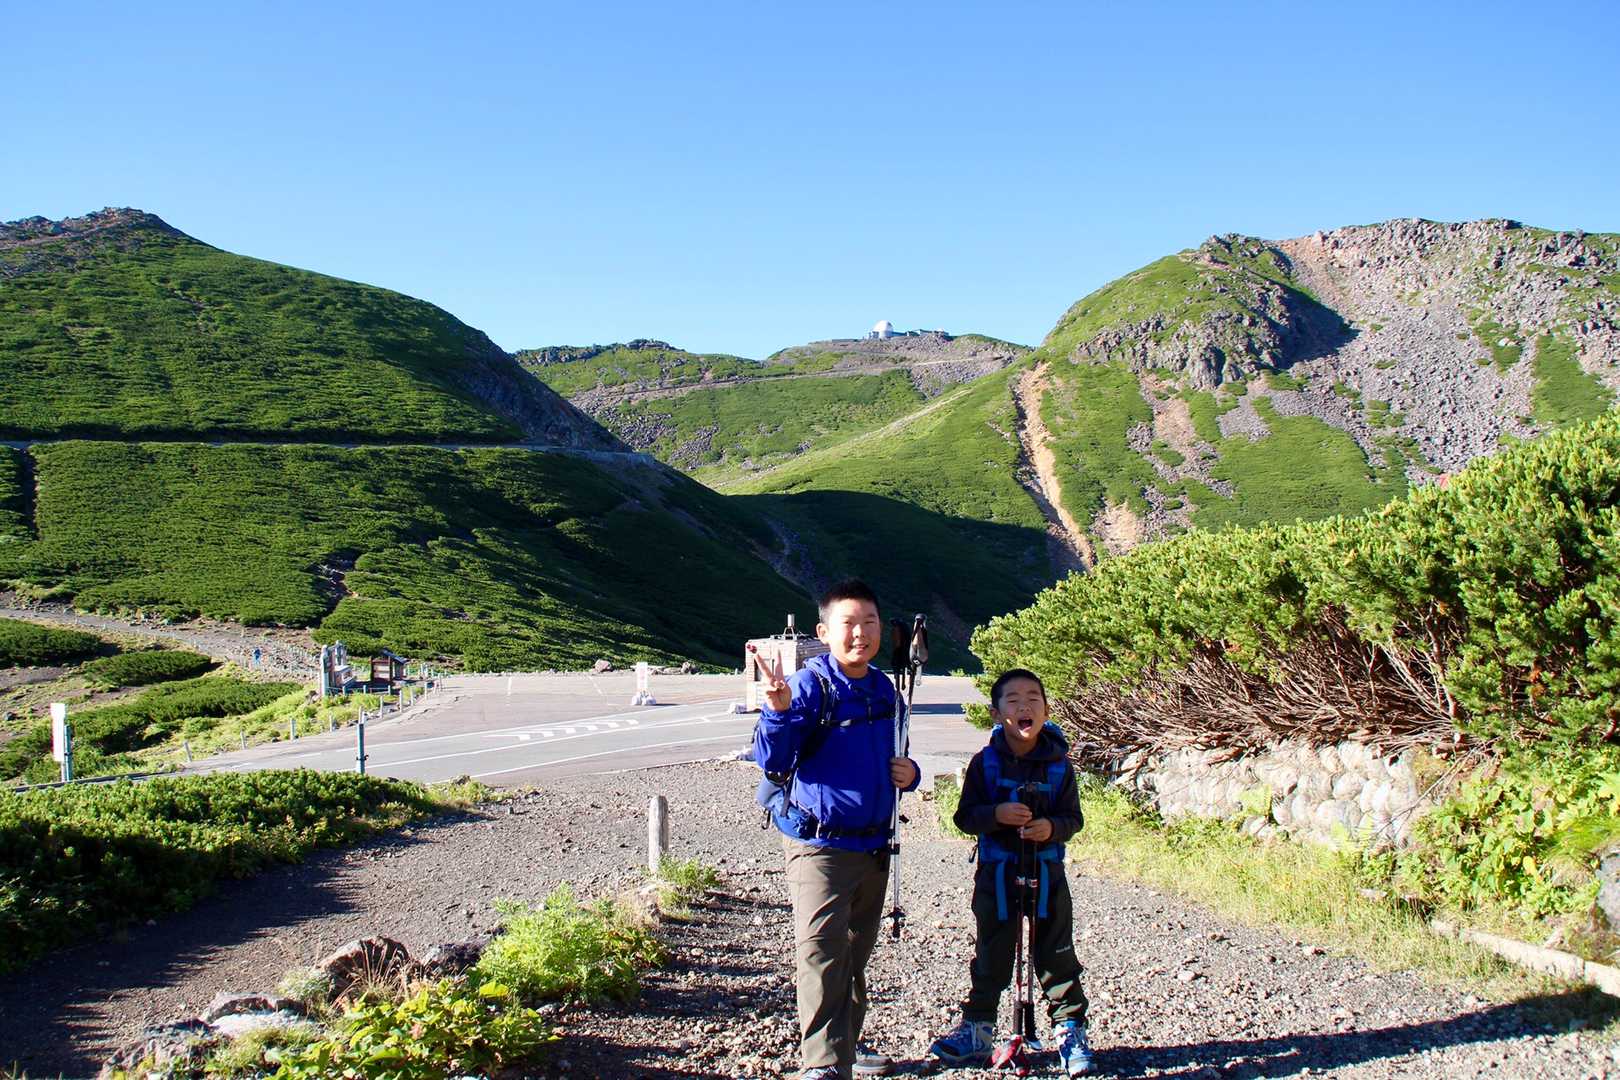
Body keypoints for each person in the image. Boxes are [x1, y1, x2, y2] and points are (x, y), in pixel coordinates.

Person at [753, 579, 921, 1080]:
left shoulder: (884, 689)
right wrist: (778, 711)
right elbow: (772, 760)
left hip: (874, 844)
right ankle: (825, 1063)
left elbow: (897, 755)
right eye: (849, 623)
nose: (861, 633)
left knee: (853, 953)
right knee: (822, 953)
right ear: (824, 632)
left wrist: (911, 775)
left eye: (870, 622)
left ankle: (846, 1043)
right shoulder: (810, 685)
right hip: (820, 846)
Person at [929, 668, 1093, 1075]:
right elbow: (965, 817)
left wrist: (1051, 828)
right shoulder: (983, 764)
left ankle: (1070, 1031)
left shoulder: (1060, 766)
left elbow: (1073, 818)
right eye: (1014, 700)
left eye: (1033, 699)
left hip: (1048, 874)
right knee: (991, 952)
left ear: (1046, 710)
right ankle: (978, 1029)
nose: (1025, 707)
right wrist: (997, 815)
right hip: (997, 876)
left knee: (1056, 953)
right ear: (996, 712)